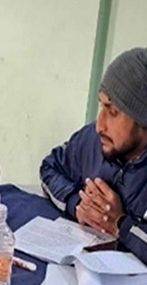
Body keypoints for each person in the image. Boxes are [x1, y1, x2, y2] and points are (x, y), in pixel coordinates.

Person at [40, 47, 147, 265]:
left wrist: (120, 223)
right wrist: (77, 203)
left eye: (113, 111)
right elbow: (49, 168)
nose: (100, 125)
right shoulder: (93, 141)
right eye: (101, 106)